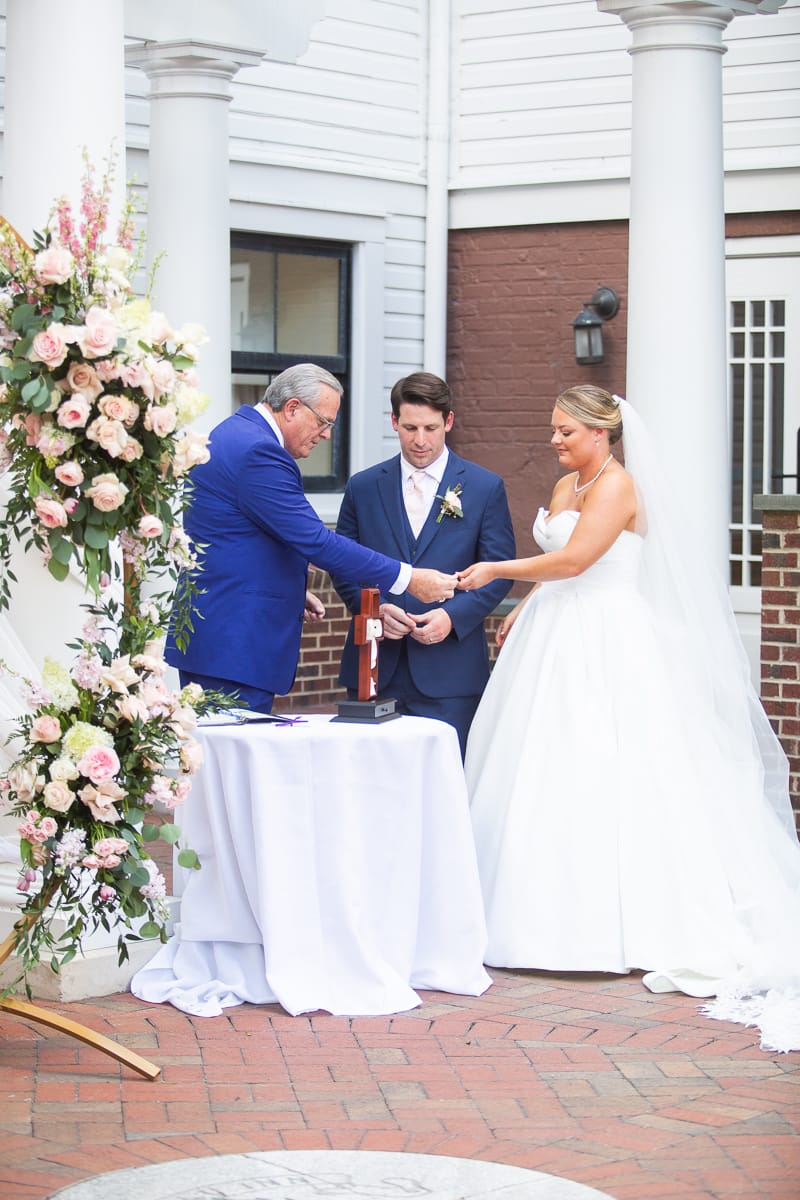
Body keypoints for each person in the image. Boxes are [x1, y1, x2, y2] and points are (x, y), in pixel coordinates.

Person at [457, 384, 800, 1053]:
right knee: (537, 768)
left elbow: (579, 559)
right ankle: (521, 921)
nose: (554, 441)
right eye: (553, 430)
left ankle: (629, 925)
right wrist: (523, 607)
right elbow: (557, 573)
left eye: (565, 432)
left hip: (608, 640)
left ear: (600, 432)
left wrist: (497, 565)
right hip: (553, 637)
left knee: (612, 765)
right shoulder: (563, 489)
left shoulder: (619, 487)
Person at [165, 364, 457, 712]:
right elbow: (317, 542)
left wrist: (289, 587)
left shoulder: (236, 433)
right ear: (292, 408)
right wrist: (408, 578)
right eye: (323, 422)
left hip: (218, 637)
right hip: (233, 645)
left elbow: (236, 536)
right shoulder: (260, 453)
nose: (326, 435)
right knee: (231, 762)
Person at [332, 372, 515, 756]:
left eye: (431, 428)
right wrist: (375, 610)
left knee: (446, 786)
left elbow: (498, 572)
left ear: (448, 421)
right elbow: (343, 563)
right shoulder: (363, 487)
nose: (420, 440)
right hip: (375, 668)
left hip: (450, 673)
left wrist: (452, 618)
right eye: (410, 427)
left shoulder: (484, 487)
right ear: (394, 421)